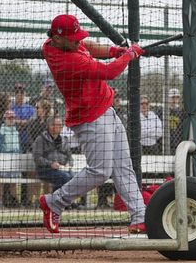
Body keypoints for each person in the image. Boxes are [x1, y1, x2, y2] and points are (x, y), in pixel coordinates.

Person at [37, 13, 145, 234]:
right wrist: (129, 55)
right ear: (58, 39)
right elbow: (109, 71)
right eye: (72, 38)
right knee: (100, 171)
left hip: (106, 110)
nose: (78, 41)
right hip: (90, 118)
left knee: (124, 167)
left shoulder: (60, 44)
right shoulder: (68, 61)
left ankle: (140, 216)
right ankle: (54, 201)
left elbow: (90, 46)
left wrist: (115, 51)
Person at [32, 115, 74, 192]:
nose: (59, 127)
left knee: (74, 177)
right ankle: (56, 201)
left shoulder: (64, 140)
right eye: (56, 124)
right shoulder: (41, 139)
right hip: (45, 170)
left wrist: (68, 164)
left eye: (60, 125)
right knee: (64, 177)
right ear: (49, 126)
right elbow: (37, 158)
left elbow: (70, 157)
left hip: (62, 169)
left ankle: (64, 201)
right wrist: (51, 164)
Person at [0, 110, 22, 207]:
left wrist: (19, 154)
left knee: (13, 181)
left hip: (15, 158)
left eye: (12, 118)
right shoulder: (1, 131)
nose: (11, 120)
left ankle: (13, 200)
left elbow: (18, 146)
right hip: (5, 158)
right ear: (4, 119)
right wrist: (5, 153)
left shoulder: (16, 131)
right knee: (1, 179)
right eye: (9, 118)